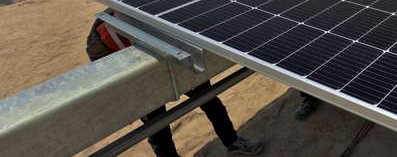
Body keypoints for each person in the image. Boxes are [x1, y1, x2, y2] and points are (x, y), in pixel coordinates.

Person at [86, 12, 264, 157]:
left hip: (173, 54)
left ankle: (232, 141)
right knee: (157, 125)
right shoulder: (106, 33)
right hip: (136, 71)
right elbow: (103, 61)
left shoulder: (168, 7)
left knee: (209, 99)